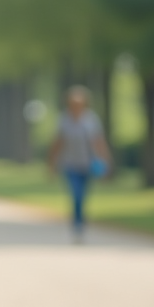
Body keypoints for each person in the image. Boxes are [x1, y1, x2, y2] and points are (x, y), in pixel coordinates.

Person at [46, 85, 111, 240]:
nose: (76, 105)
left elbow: (98, 141)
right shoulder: (64, 119)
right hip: (69, 164)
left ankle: (80, 221)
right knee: (76, 194)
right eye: (73, 103)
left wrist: (105, 160)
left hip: (87, 164)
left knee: (83, 196)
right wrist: (52, 163)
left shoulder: (91, 119)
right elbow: (58, 142)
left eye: (79, 103)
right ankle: (77, 224)